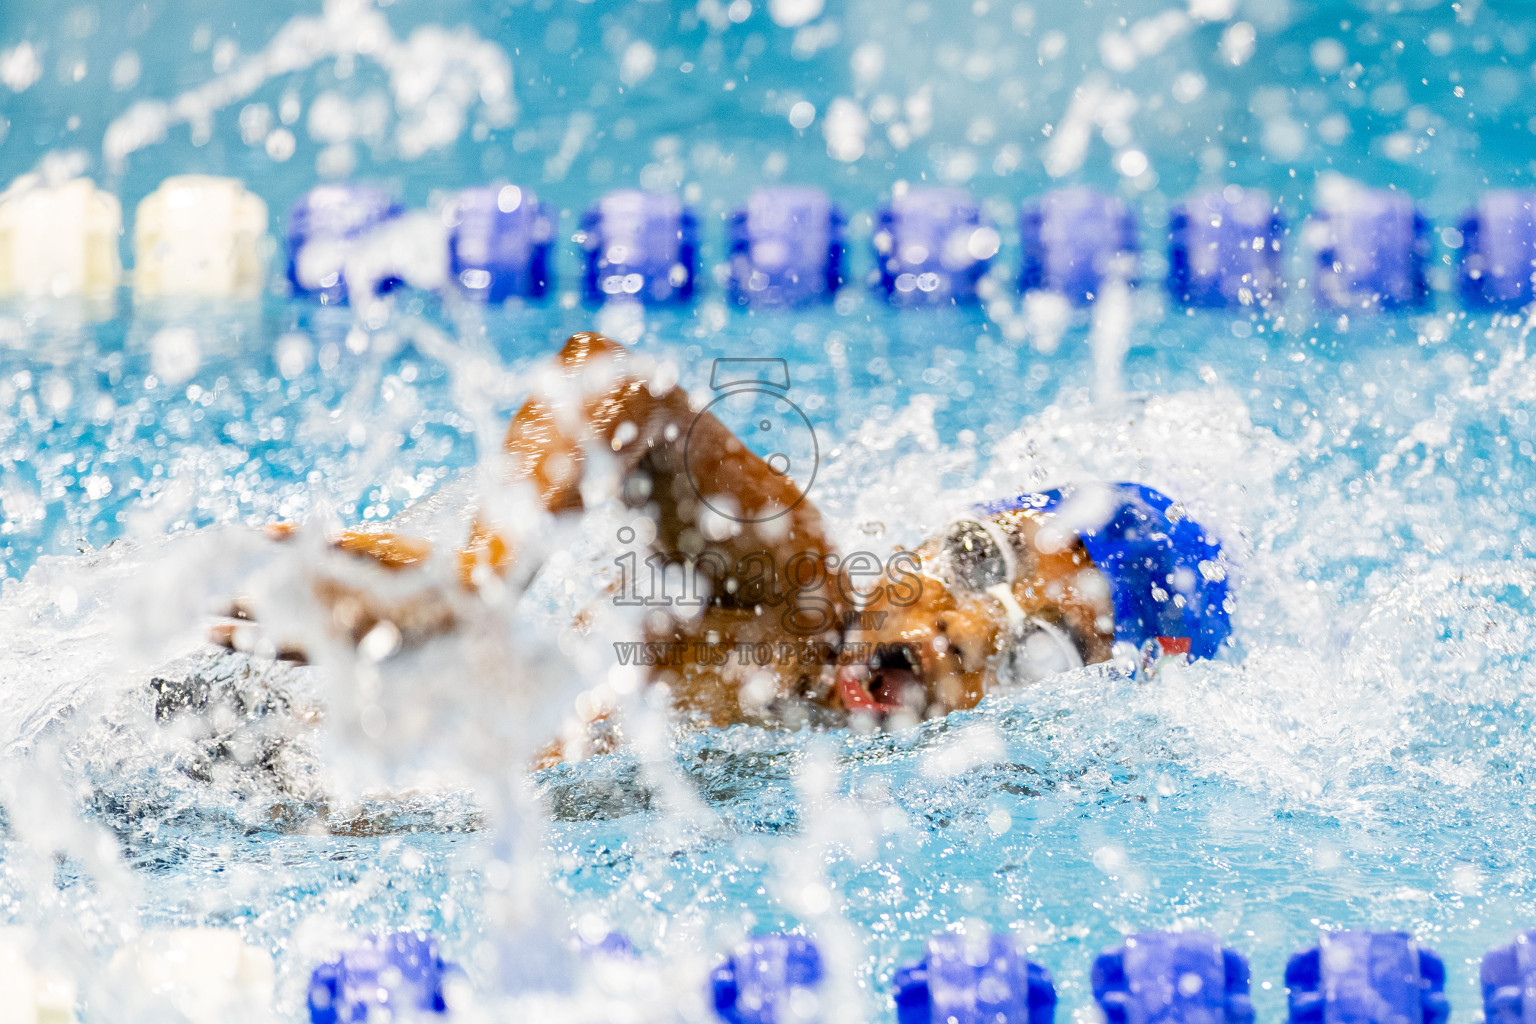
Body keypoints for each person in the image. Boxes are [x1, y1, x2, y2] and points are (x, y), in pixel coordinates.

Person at [213, 332, 1232, 760]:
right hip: (236, 723)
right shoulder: (802, 588)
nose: (953, 628)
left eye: (1030, 649)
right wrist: (465, 591)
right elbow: (605, 381)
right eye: (976, 561)